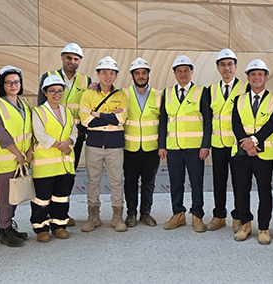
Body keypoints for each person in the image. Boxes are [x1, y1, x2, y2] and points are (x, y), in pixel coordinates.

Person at [37, 43, 92, 227]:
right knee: (50, 177)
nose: (72, 61)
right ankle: (50, 214)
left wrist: (76, 136)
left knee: (68, 176)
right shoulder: (49, 77)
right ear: (62, 58)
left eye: (76, 59)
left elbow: (88, 107)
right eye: (69, 57)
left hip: (73, 138)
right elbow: (40, 106)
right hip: (51, 140)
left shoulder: (86, 81)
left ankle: (62, 214)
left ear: (80, 61)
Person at [231, 59, 273, 245]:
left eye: (260, 74)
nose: (256, 77)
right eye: (253, 74)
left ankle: (263, 227)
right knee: (241, 190)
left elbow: (272, 124)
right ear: (248, 77)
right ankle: (245, 224)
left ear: (266, 77)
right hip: (242, 153)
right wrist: (246, 144)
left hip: (264, 154)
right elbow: (235, 124)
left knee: (264, 191)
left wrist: (253, 141)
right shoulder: (239, 99)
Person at [158, 55, 211, 232]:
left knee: (197, 183)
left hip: (195, 148)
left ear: (192, 72)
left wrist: (205, 145)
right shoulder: (167, 93)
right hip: (173, 147)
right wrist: (162, 145)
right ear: (174, 73)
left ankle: (197, 215)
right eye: (179, 71)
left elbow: (207, 121)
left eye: (186, 70)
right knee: (176, 182)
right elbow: (163, 121)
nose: (183, 73)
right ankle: (178, 214)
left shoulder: (201, 92)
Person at [79, 56, 128, 233]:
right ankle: (93, 216)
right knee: (93, 181)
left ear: (116, 75)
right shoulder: (88, 94)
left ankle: (117, 216)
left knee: (116, 181)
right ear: (98, 74)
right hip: (94, 144)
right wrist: (110, 118)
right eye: (104, 72)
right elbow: (86, 121)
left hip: (115, 145)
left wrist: (97, 114)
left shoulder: (121, 95)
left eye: (112, 73)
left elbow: (121, 119)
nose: (108, 76)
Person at [30, 75, 78, 242]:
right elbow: (40, 134)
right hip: (45, 165)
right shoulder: (38, 111)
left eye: (60, 91)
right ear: (45, 92)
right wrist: (61, 146)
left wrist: (69, 142)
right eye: (52, 91)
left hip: (65, 164)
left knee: (61, 197)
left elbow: (74, 131)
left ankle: (59, 225)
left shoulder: (68, 112)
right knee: (42, 199)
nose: (57, 94)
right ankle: (41, 228)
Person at [0, 65, 33, 247]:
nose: (13, 85)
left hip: (21, 158)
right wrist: (18, 154)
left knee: (15, 195)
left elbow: (30, 131)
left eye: (16, 82)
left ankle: (8, 227)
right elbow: (1, 134)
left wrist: (30, 151)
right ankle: (4, 228)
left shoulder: (24, 104)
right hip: (7, 159)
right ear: (2, 85)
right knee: (6, 197)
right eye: (9, 83)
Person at [206, 49, 248, 232]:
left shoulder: (245, 88)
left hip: (237, 145)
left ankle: (238, 216)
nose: (226, 68)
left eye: (230, 64)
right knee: (219, 181)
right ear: (217, 67)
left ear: (235, 66)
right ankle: (219, 215)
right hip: (218, 144)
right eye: (222, 64)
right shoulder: (212, 89)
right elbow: (208, 120)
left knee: (240, 181)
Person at [122, 57, 161, 227]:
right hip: (130, 147)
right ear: (132, 75)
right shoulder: (123, 94)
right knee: (130, 181)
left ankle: (146, 213)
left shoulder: (159, 95)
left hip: (151, 148)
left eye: (144, 73)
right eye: (137, 73)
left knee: (148, 182)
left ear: (148, 75)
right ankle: (131, 213)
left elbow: (164, 122)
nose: (141, 76)